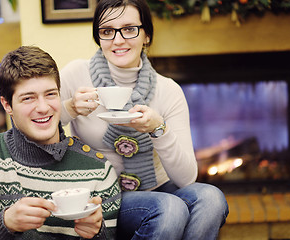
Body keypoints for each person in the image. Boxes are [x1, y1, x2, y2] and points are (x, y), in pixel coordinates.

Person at [59, 0, 229, 239]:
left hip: (157, 187)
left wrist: (158, 129)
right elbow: (37, 124)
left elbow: (187, 178)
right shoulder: (76, 74)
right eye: (107, 31)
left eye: (129, 29)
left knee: (210, 198)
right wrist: (70, 108)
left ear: (146, 35)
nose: (118, 40)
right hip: (101, 193)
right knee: (170, 209)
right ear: (99, 37)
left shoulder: (167, 90)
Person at [0, 46, 121, 240]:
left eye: (50, 94)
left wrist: (97, 234)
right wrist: (4, 225)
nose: (43, 107)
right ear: (7, 105)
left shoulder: (99, 171)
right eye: (28, 98)